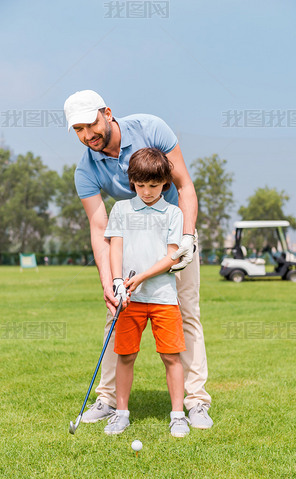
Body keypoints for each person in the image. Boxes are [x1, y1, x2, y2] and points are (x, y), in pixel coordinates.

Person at [63, 90, 213, 429]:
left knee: (186, 313)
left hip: (176, 233)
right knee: (115, 314)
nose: (87, 135)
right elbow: (99, 226)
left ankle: (196, 402)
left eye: (91, 124)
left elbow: (185, 186)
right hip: (129, 242)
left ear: (107, 113)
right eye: (78, 130)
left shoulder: (152, 129)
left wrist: (187, 238)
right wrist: (108, 283)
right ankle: (108, 400)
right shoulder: (85, 170)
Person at [104, 148, 189, 437]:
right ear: (132, 183)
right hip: (130, 300)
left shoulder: (173, 213)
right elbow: (115, 246)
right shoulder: (121, 210)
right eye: (140, 185)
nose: (147, 192)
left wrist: (140, 276)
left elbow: (172, 257)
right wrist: (118, 281)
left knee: (171, 357)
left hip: (164, 298)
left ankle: (178, 415)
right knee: (125, 356)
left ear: (165, 182)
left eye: (153, 186)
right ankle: (121, 413)